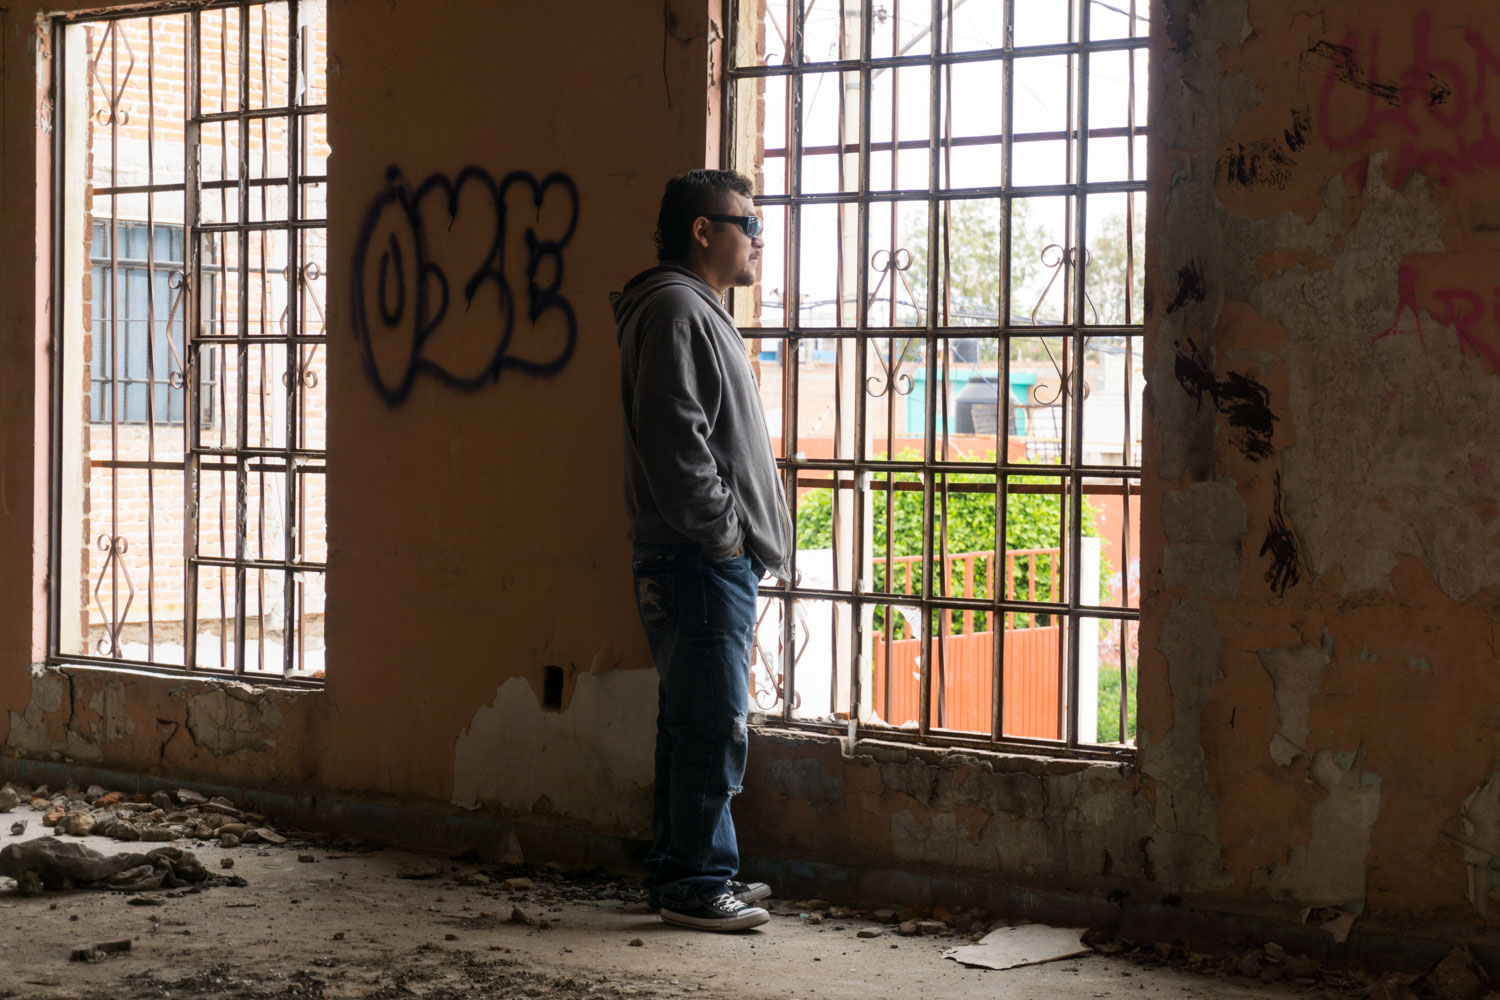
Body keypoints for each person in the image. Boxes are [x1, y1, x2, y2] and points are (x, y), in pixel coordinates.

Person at [611, 169, 792, 932]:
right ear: (702, 230)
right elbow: (675, 438)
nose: (758, 238)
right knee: (713, 723)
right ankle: (695, 881)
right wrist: (723, 539)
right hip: (697, 559)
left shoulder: (692, 309)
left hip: (700, 558)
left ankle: (681, 870)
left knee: (690, 721)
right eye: (747, 224)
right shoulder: (681, 307)